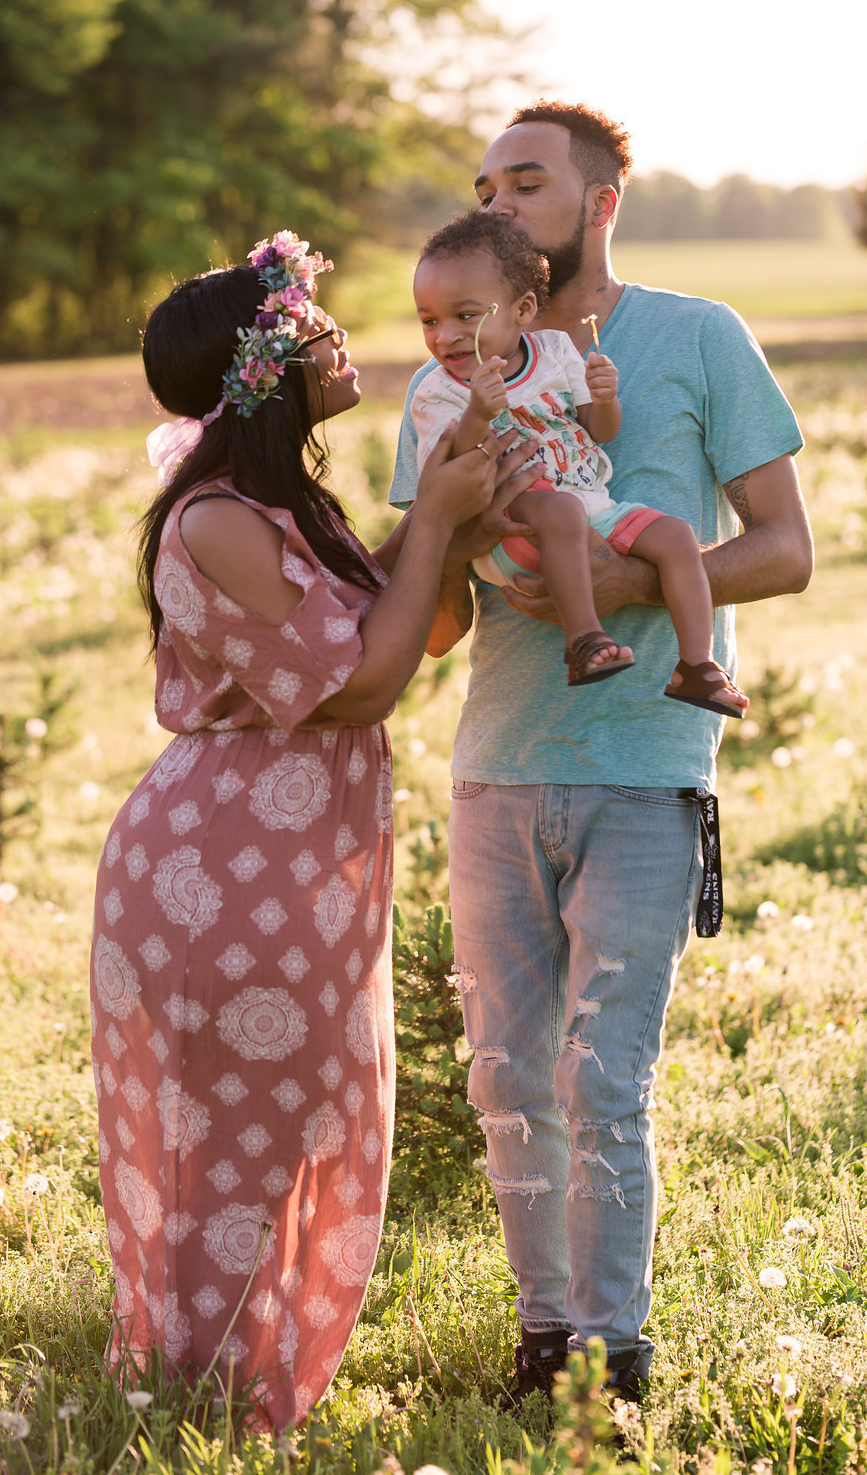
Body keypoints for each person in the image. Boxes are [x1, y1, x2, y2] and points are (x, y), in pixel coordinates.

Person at [389, 104, 813, 1405]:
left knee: (602, 1071)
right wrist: (444, 528)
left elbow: (787, 549)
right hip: (496, 767)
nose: (501, 204)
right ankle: (543, 1335)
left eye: (530, 181)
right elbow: (445, 622)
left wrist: (623, 584)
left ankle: (616, 1353)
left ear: (601, 200)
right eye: (484, 185)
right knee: (510, 1076)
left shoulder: (696, 338)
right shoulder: (444, 377)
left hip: (645, 769)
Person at [89, 229, 522, 1434]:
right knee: (236, 1142)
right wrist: (430, 519)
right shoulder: (216, 521)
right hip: (219, 875)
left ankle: (237, 1389)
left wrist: (451, 510)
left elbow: (407, 636)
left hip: (294, 865)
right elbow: (365, 687)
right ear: (262, 366)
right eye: (308, 324)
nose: (337, 337)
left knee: (298, 1119)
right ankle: (206, 1403)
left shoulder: (281, 504)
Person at [411, 210, 748, 710]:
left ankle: (697, 666)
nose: (446, 336)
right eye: (429, 321)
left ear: (522, 309)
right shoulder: (438, 392)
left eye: (466, 316)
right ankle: (585, 642)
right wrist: (478, 414)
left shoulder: (553, 353)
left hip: (591, 504)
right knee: (562, 509)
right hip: (514, 528)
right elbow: (449, 481)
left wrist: (605, 397)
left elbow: (600, 431)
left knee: (676, 535)